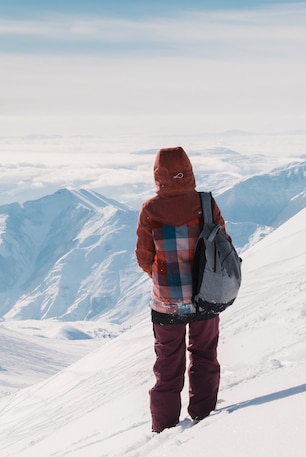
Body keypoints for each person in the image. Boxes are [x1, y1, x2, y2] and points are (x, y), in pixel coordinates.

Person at [135, 146, 229, 433]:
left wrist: (162, 276)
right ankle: (203, 417)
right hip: (206, 296)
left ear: (157, 175)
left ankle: (163, 428)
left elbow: (143, 255)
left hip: (166, 302)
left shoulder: (150, 209)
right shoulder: (206, 202)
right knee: (204, 355)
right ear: (189, 170)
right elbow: (223, 243)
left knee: (167, 363)